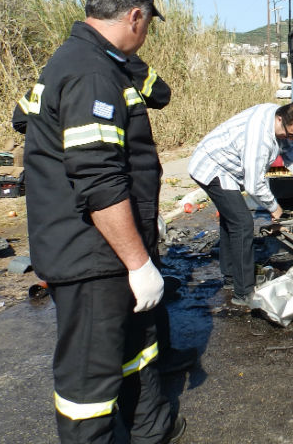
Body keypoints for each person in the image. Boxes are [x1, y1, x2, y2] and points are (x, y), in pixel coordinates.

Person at [18, 0, 185, 443]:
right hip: (93, 256)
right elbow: (97, 180)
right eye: (149, 22)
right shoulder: (91, 72)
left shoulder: (88, 62)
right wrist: (137, 262)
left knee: (135, 352)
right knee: (88, 384)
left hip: (106, 251)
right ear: (136, 15)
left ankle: (150, 431)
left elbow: (23, 118)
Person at [15, 54, 196, 375]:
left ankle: (139, 382)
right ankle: (147, 371)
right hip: (110, 203)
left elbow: (20, 119)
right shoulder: (99, 71)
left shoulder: (54, 74)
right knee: (139, 277)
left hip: (66, 215)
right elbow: (160, 93)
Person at [188, 103, 293, 305]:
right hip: (212, 165)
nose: (289, 139)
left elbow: (289, 147)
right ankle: (243, 292)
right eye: (288, 134)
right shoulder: (259, 138)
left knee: (232, 219)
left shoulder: (281, 119)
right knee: (242, 223)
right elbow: (254, 184)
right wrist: (275, 207)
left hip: (227, 167)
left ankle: (230, 277)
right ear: (280, 119)